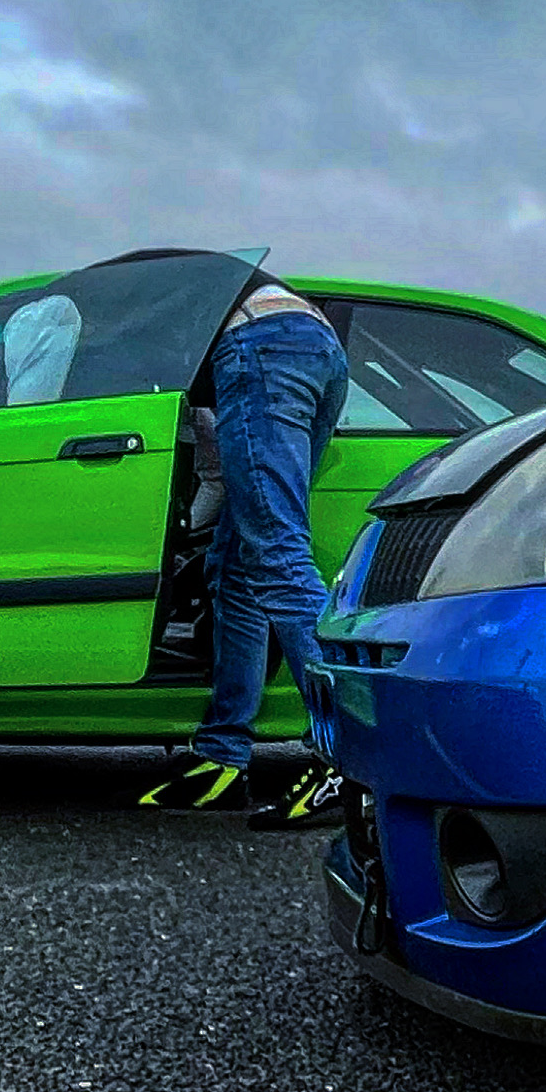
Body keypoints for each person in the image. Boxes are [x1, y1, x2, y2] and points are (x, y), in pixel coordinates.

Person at [144, 271, 350, 825]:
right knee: (236, 567)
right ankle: (222, 756)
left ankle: (350, 760)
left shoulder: (94, 314)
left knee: (278, 555)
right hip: (311, 343)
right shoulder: (158, 293)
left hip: (262, 345)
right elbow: (218, 451)